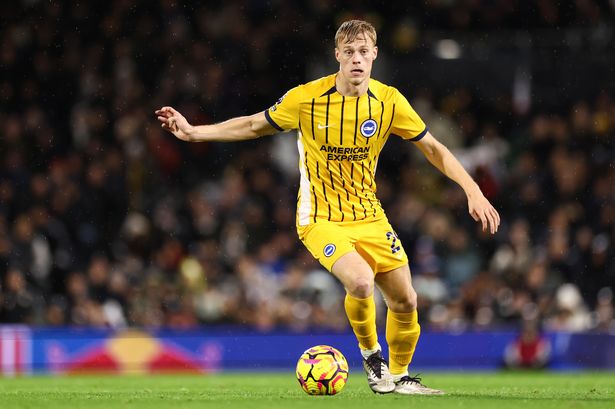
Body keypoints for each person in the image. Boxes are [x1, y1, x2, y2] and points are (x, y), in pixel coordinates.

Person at [156, 19, 500, 395]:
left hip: (370, 215)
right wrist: (194, 132)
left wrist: (473, 191)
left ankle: (398, 378)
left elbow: (433, 148)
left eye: (363, 52)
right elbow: (255, 125)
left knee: (406, 300)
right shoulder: (306, 99)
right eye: (349, 52)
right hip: (320, 217)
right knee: (361, 280)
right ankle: (373, 361)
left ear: (374, 55)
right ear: (337, 55)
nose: (356, 59)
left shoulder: (389, 102)